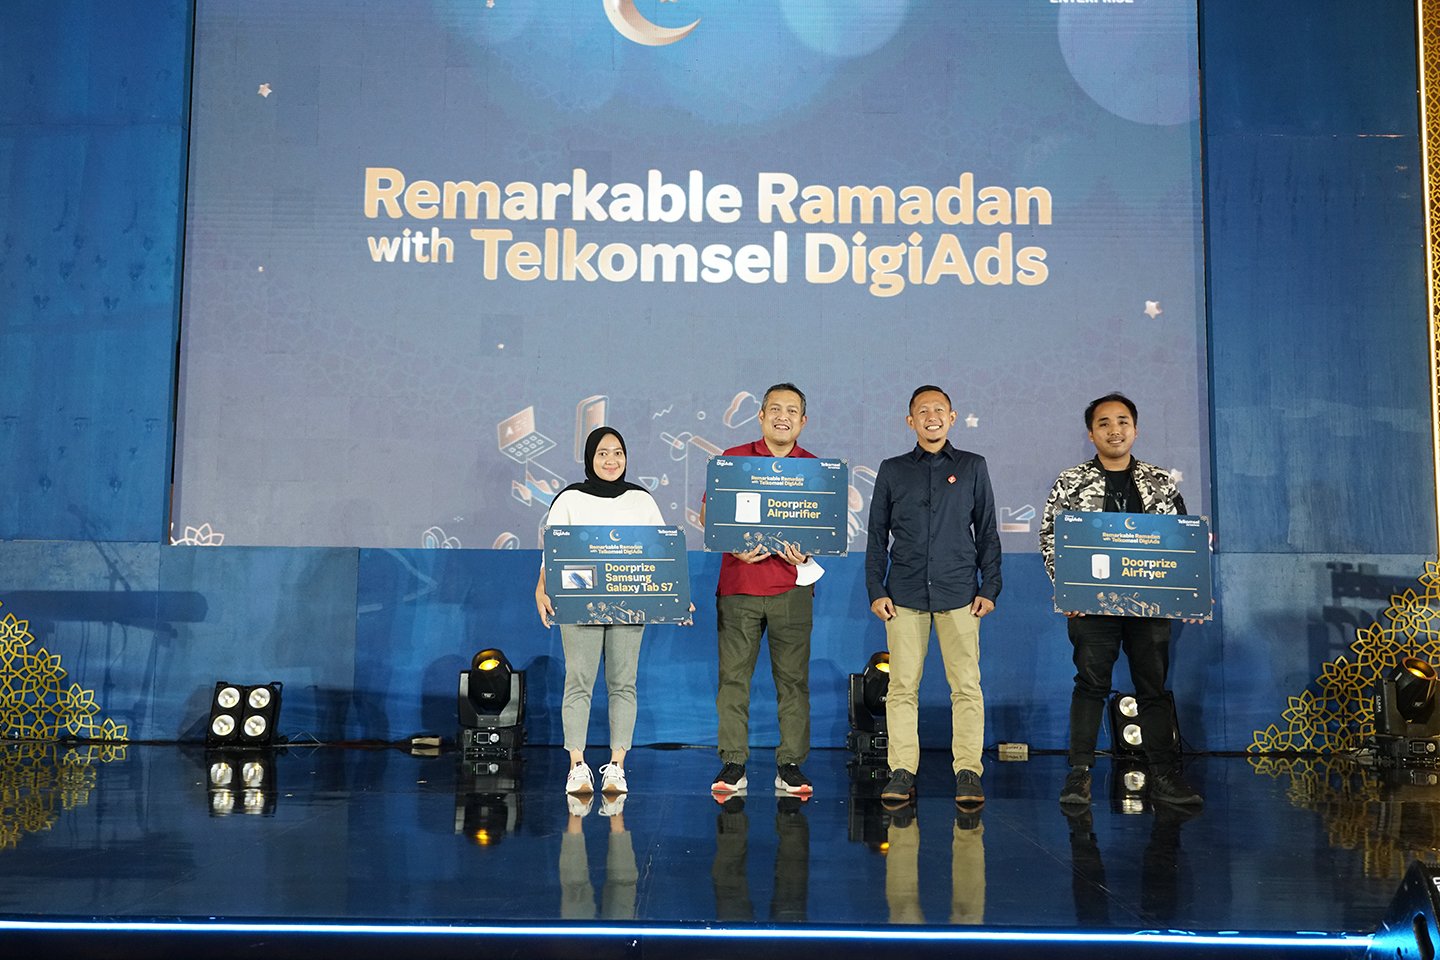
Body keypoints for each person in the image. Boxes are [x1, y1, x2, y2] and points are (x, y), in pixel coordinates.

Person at [1039, 392, 1203, 808]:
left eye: (1122, 421)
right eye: (1104, 423)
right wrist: (1068, 588)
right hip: (1091, 604)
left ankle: (1164, 774)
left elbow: (1181, 541)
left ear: (1135, 429)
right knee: (1090, 685)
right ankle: (1079, 774)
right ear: (1091, 433)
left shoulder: (1159, 481)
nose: (1115, 430)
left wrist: (1188, 596)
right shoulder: (1071, 481)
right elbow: (1050, 537)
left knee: (1152, 687)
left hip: (1150, 605)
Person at [866, 385, 1002, 807]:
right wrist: (876, 589)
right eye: (922, 411)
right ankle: (902, 770)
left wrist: (990, 587)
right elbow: (876, 536)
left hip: (960, 593)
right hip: (903, 595)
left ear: (952, 417)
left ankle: (968, 772)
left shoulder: (973, 466)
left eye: (939, 410)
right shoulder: (892, 470)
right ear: (911, 421)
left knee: (966, 687)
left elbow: (987, 530)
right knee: (902, 688)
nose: (931, 417)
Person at [702, 383, 818, 797]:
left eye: (792, 411)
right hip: (739, 587)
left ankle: (790, 765)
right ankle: (733, 762)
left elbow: (822, 527)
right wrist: (733, 544)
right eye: (775, 409)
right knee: (733, 680)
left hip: (792, 590)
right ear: (761, 416)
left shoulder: (814, 469)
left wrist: (807, 551)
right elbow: (708, 513)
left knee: (793, 682)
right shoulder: (733, 459)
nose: (783, 417)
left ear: (803, 421)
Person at [537, 427, 664, 797]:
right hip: (579, 602)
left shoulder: (642, 500)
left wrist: (675, 593)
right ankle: (577, 766)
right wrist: (541, 587)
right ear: (590, 458)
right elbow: (552, 552)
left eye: (618, 452)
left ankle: (617, 768)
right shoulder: (569, 499)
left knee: (623, 683)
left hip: (631, 603)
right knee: (578, 680)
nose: (612, 460)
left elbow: (661, 554)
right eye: (603, 453)